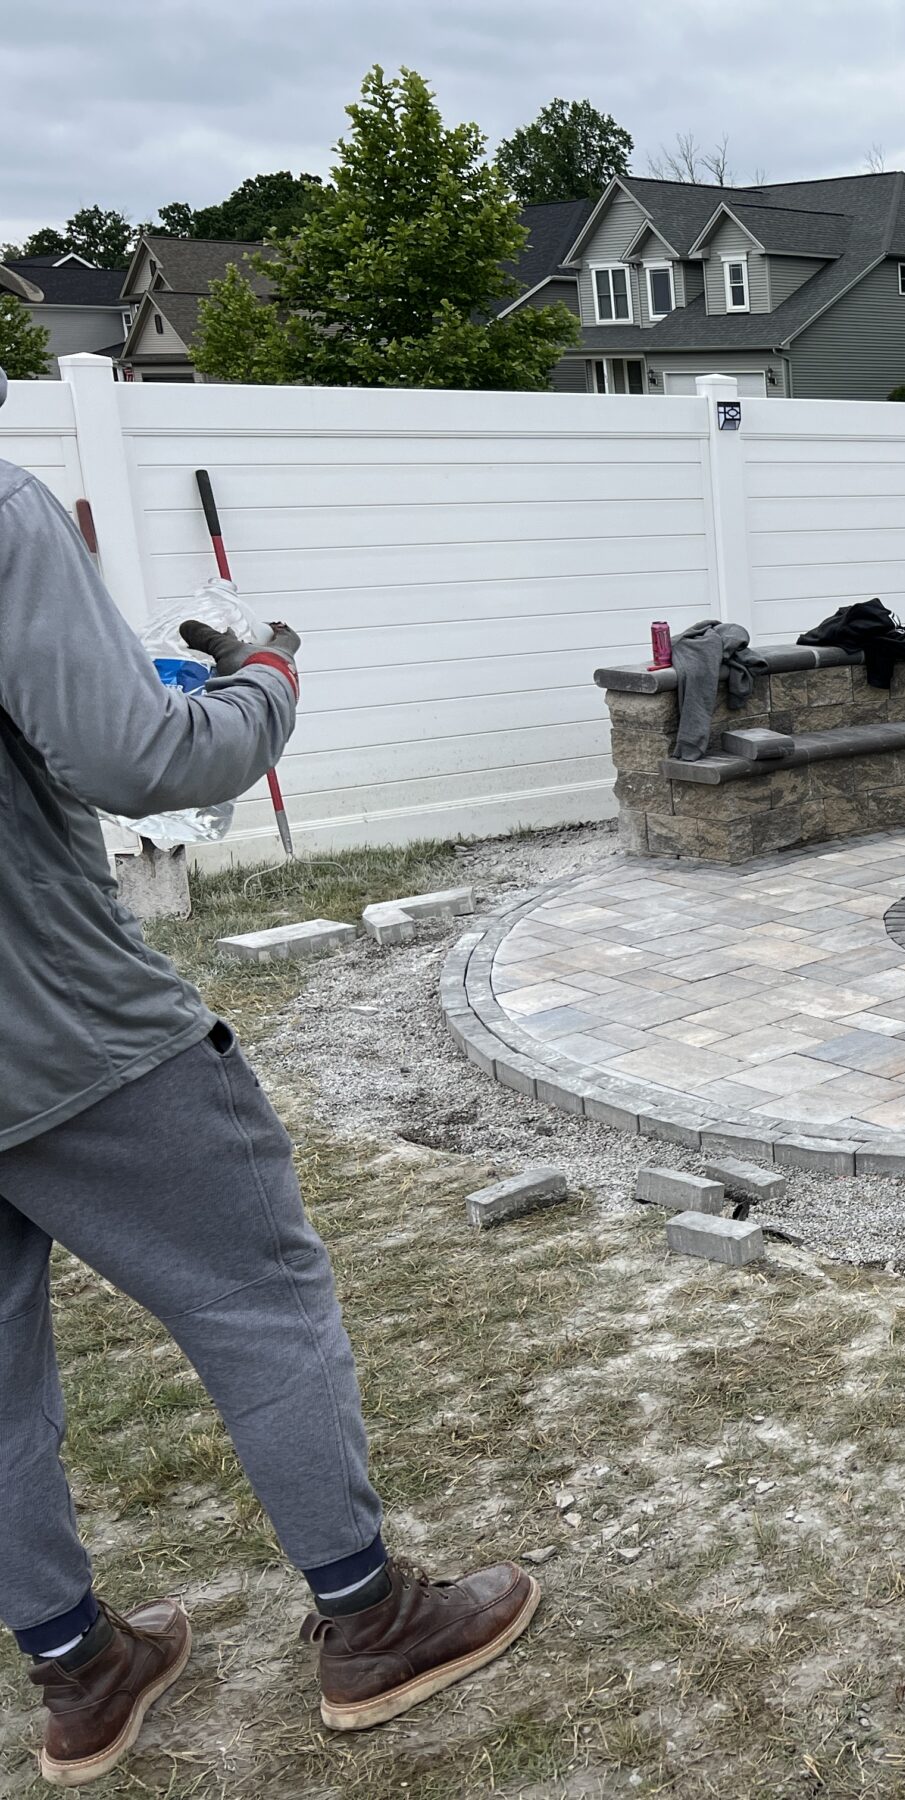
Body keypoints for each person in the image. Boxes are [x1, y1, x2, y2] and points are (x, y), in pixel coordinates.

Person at [0, 372, 537, 1788]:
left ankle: (79, 1669)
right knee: (260, 1299)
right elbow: (139, 754)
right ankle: (370, 1625)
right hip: (61, 1033)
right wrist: (265, 684)